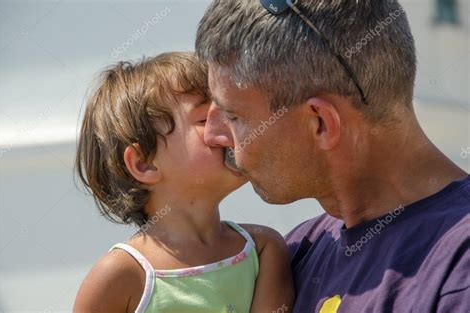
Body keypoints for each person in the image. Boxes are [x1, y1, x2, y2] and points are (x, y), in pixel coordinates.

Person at [196, 1, 470, 312]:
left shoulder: (459, 271)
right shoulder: (291, 257)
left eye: (233, 116)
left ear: (321, 123)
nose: (211, 135)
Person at [72, 52, 294, 313]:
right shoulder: (120, 275)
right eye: (203, 119)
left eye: (228, 113)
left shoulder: (263, 248)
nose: (227, 128)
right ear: (144, 164)